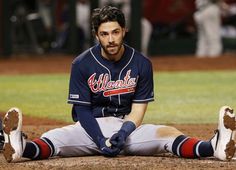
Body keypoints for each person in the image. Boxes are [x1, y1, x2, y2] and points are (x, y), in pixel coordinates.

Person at [2, 6, 236, 163]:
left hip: (128, 128)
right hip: (88, 128)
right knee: (54, 139)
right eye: (105, 34)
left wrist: (124, 132)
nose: (111, 39)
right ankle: (20, 147)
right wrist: (99, 139)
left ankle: (214, 147)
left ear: (124, 30)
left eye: (115, 32)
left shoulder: (141, 63)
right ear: (96, 35)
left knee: (168, 134)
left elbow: (138, 108)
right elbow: (82, 111)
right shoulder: (82, 64)